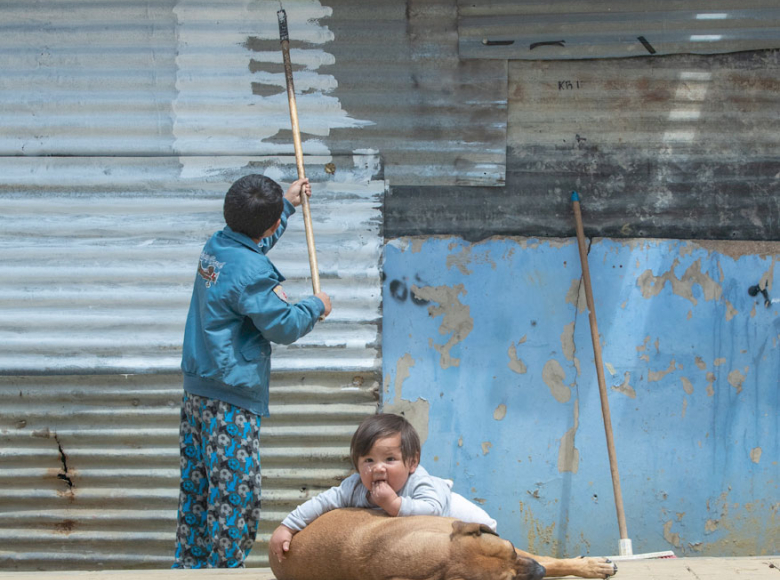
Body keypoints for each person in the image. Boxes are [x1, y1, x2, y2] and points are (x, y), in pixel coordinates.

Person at [173, 174, 332, 569]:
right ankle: (225, 572)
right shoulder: (253, 273)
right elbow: (284, 325)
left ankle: (190, 568)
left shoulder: (218, 245)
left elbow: (251, 249)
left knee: (198, 487)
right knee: (235, 496)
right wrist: (316, 306)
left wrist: (288, 207)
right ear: (270, 224)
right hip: (231, 398)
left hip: (199, 391)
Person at [269, 413, 496, 562]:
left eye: (389, 459)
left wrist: (394, 504)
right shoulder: (355, 486)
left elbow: (433, 510)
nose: (378, 468)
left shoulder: (419, 482)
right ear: (356, 465)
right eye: (368, 460)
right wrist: (288, 527)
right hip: (421, 532)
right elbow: (323, 502)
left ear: (412, 462)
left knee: (487, 538)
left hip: (450, 509)